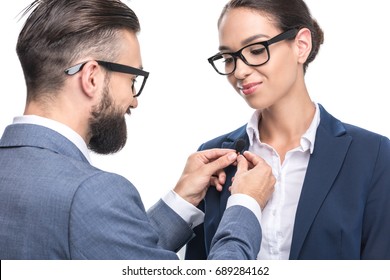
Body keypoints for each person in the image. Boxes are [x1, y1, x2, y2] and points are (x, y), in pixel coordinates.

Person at [0, 0, 276, 260]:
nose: (134, 100)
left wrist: (182, 200)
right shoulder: (91, 193)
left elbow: (108, 250)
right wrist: (245, 203)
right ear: (92, 77)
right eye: (133, 79)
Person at [185, 0, 390, 260]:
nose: (240, 71)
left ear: (301, 45)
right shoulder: (213, 157)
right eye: (228, 58)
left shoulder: (372, 155)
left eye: (257, 50)